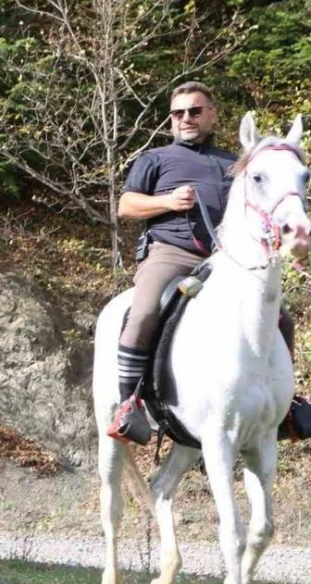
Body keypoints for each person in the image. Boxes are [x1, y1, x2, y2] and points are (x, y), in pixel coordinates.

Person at [111, 81, 311, 444]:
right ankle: (129, 403)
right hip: (170, 253)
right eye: (178, 113)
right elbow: (126, 207)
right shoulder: (154, 159)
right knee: (142, 311)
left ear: (212, 115)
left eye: (195, 111)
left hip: (223, 260)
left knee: (281, 318)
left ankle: (285, 405)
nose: (186, 118)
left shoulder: (233, 164)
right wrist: (168, 202)